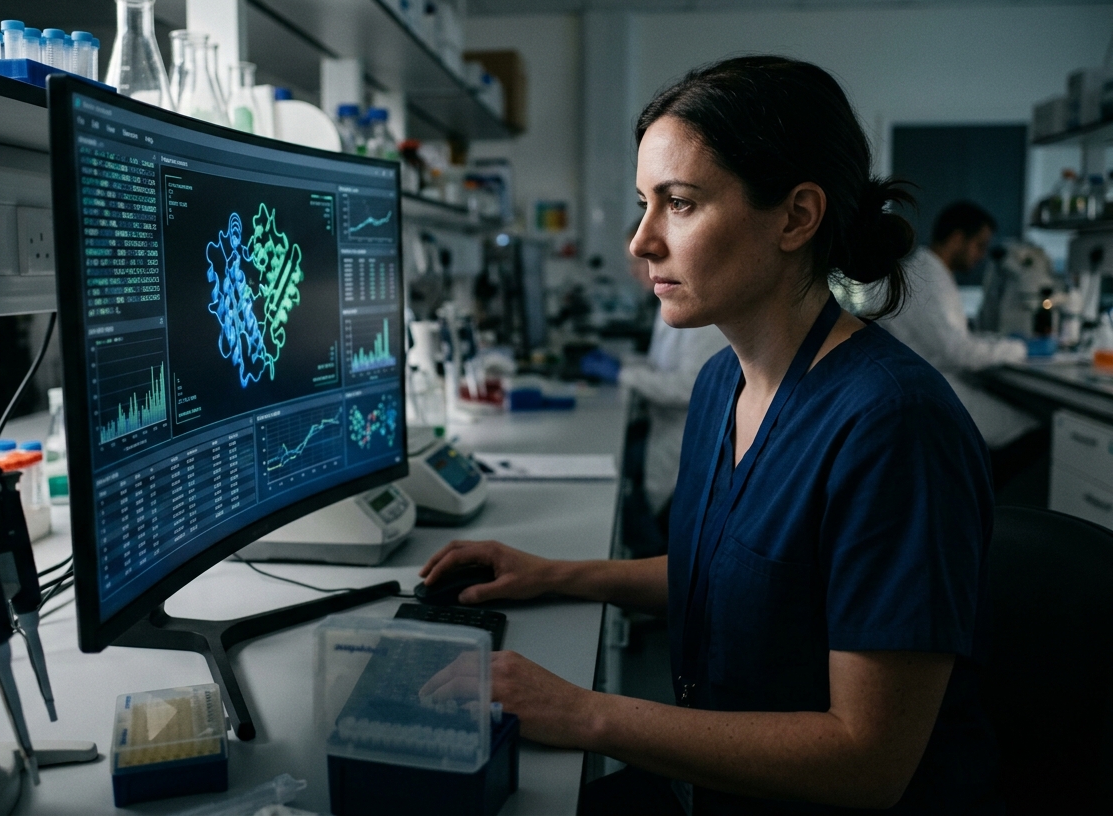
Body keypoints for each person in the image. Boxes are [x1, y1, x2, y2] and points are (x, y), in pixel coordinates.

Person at [420, 56, 999, 814]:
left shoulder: (894, 427)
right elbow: (735, 573)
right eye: (644, 205)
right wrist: (554, 574)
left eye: (680, 204)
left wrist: (584, 713)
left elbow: (870, 759)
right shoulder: (721, 382)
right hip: (713, 786)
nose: (641, 242)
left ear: (796, 217)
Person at [585, 227, 729, 555]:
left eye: (641, 260)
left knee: (663, 545)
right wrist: (625, 365)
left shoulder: (702, 313)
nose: (636, 271)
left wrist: (623, 374)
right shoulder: (670, 301)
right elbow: (662, 366)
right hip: (663, 433)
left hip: (683, 443)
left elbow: (689, 387)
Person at [880, 202, 1040, 482]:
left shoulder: (928, 272)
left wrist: (999, 342)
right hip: (934, 396)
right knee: (1034, 429)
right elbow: (956, 351)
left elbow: (952, 337)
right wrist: (1021, 348)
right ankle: (980, 496)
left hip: (927, 391)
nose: (981, 256)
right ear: (956, 238)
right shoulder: (927, 278)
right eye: (979, 245)